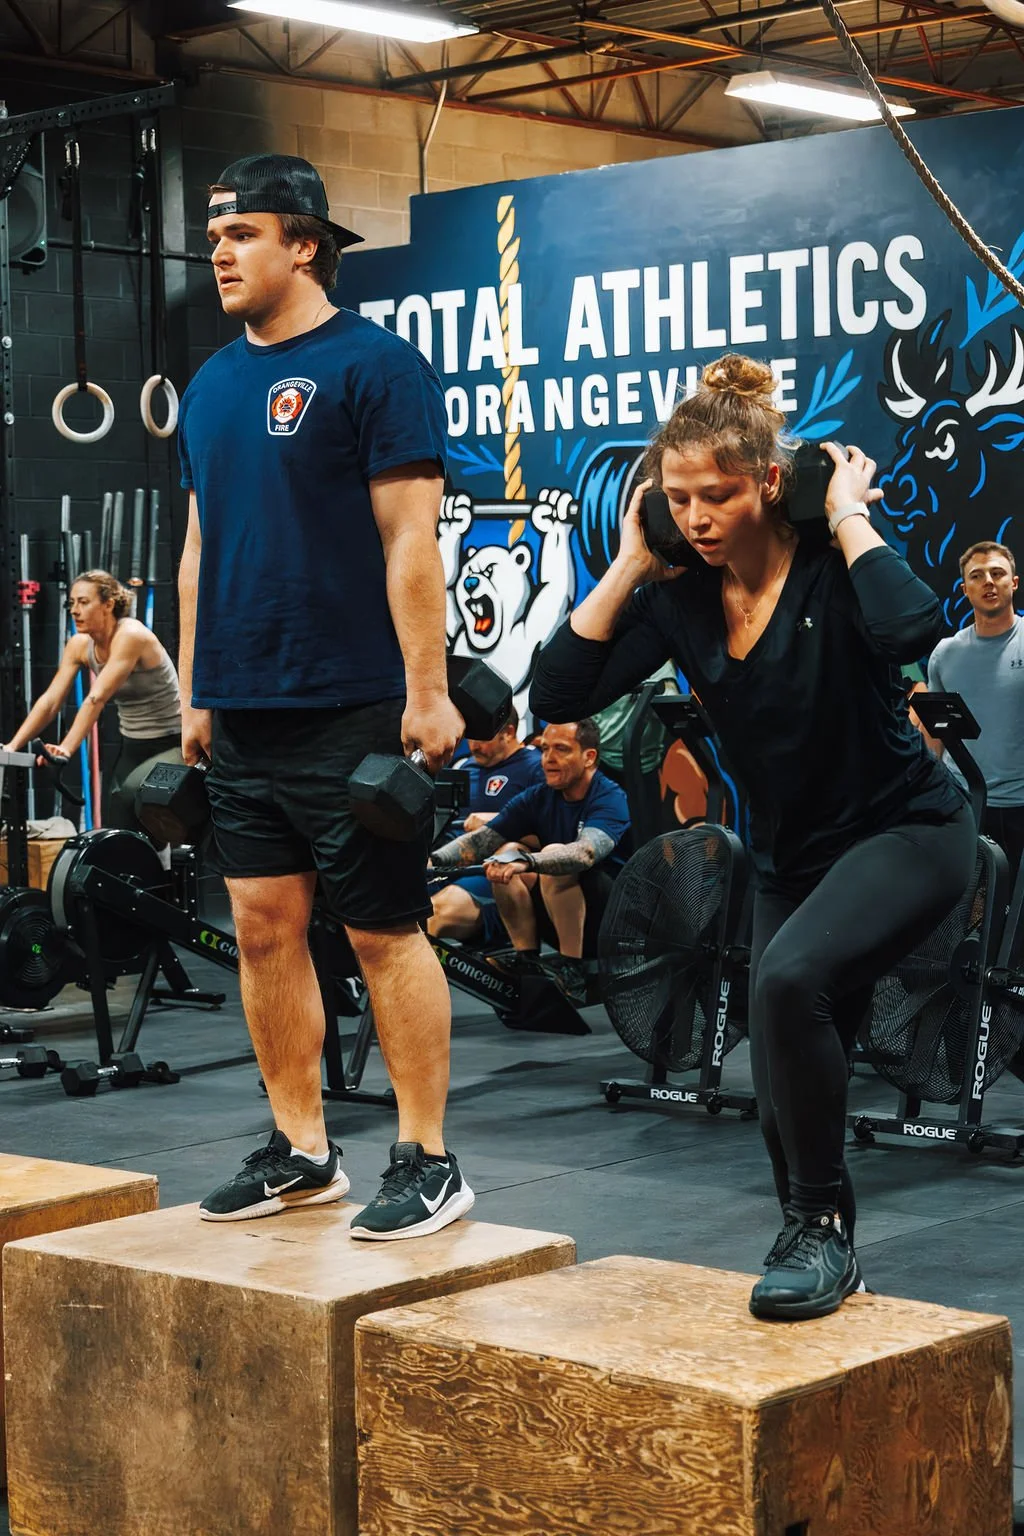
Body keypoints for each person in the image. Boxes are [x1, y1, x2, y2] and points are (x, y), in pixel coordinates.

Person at [530, 354, 975, 1321]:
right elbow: (558, 691)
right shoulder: (681, 597)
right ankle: (826, 1241)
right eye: (677, 499)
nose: (696, 518)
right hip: (792, 862)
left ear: (771, 483)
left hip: (910, 831)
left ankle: (815, 1227)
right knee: (780, 1090)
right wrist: (632, 561)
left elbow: (913, 630)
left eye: (717, 496)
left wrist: (847, 513)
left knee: (784, 981)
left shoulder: (831, 569)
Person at [177, 152, 472, 1240]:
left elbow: (411, 540)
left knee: (383, 930)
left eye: (241, 233)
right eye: (214, 237)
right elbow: (199, 549)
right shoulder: (210, 384)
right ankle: (302, 1150)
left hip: (353, 699)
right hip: (243, 706)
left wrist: (428, 691)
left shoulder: (376, 367)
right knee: (262, 930)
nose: (219, 253)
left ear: (305, 245)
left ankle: (428, 1159)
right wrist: (198, 689)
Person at [430, 719, 631, 1005]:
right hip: (562, 914)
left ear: (589, 757)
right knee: (505, 852)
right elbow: (480, 841)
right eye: (545, 749)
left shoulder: (609, 796)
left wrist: (527, 861)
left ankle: (574, 968)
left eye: (561, 749)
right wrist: (431, 862)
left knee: (553, 855)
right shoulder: (539, 797)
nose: (548, 758)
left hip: (613, 919)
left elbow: (584, 853)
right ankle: (527, 959)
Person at [3, 569, 182, 835]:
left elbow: (96, 698)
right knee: (120, 819)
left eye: (84, 602)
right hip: (133, 744)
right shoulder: (79, 645)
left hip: (174, 741)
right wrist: (12, 747)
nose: (75, 610)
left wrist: (65, 750)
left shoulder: (131, 635)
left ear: (108, 604)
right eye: (72, 603)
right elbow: (51, 701)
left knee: (135, 797)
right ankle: (148, 861)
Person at [925, 541, 1024, 885]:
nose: (988, 582)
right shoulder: (945, 654)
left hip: (1020, 803)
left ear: (1014, 582)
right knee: (972, 906)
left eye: (997, 573)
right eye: (977, 576)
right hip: (966, 804)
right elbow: (937, 735)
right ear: (965, 589)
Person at [428, 708, 545, 945]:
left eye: (481, 739)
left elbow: (547, 832)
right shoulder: (464, 767)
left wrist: (497, 822)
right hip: (449, 862)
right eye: (470, 738)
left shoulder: (536, 768)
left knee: (435, 914)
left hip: (492, 870)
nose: (474, 746)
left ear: (508, 733)